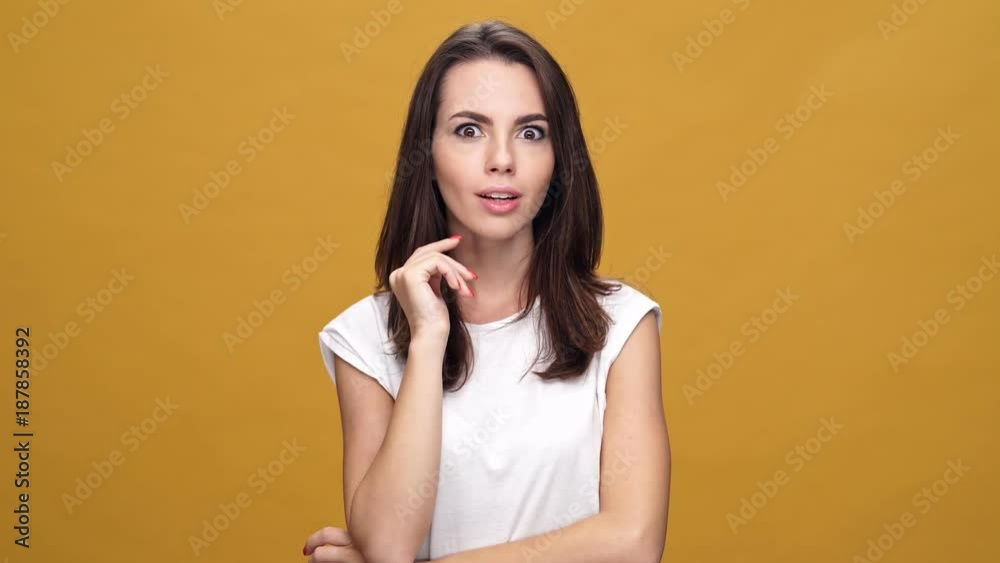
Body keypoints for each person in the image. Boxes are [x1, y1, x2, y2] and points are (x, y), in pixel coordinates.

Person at [304, 19, 670, 563]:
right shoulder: (365, 337)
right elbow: (387, 543)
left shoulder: (618, 323)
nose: (502, 158)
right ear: (425, 155)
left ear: (558, 161)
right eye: (469, 130)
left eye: (530, 132)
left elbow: (634, 544)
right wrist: (428, 339)